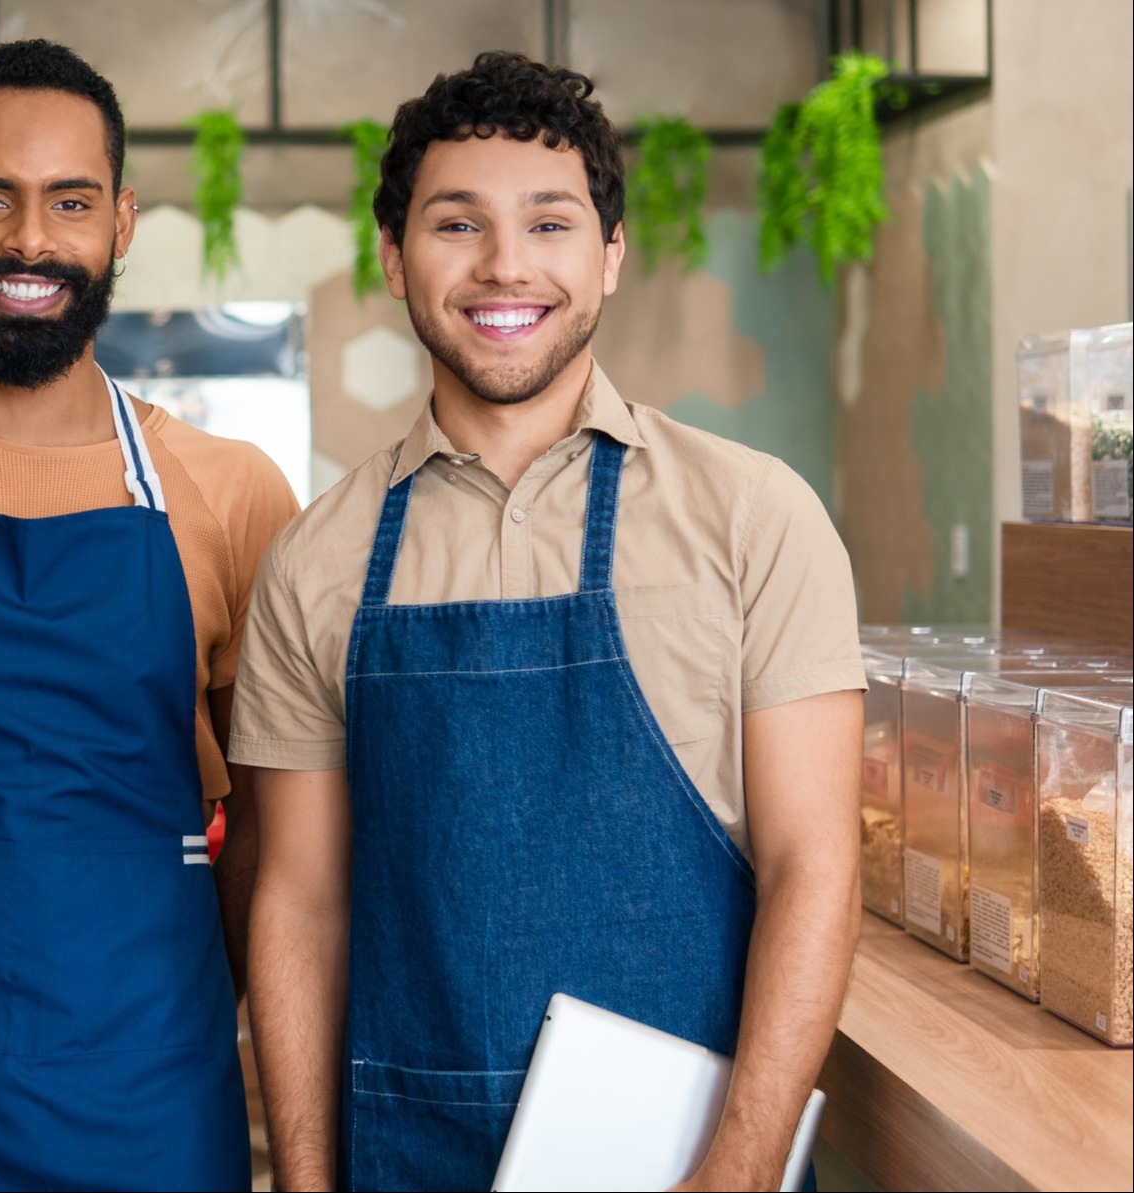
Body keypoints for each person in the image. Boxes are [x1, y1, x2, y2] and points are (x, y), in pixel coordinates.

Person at [235, 52, 865, 1191]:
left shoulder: (754, 518)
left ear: (613, 254)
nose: (505, 265)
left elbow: (813, 864)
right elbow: (301, 900)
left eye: (550, 223)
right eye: (456, 223)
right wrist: (308, 1179)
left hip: (684, 1157)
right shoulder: (313, 560)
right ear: (393, 257)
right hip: (403, 1153)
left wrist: (739, 1167)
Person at [0, 39, 300, 1192]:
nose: (31, 242)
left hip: (153, 1092)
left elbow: (280, 843)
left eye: (70, 202)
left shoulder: (234, 495)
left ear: (122, 223)